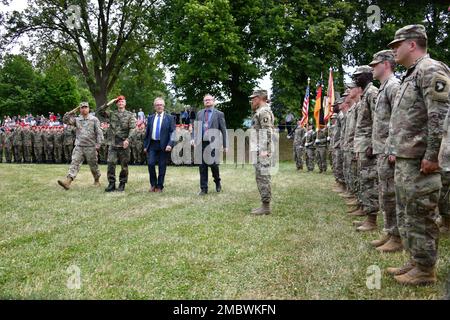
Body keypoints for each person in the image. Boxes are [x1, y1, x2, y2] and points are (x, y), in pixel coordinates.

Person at [386, 24, 450, 285]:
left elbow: (438, 116)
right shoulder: (410, 75)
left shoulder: (431, 69)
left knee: (422, 213)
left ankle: (425, 270)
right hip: (407, 157)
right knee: (409, 211)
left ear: (412, 44)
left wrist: (433, 156)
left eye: (396, 45)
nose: (393, 51)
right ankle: (416, 259)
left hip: (422, 159)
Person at [369, 49, 402, 251]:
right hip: (382, 149)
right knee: (385, 193)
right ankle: (390, 232)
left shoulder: (394, 86)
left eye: (375, 64)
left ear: (386, 64)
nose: (373, 68)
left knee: (391, 194)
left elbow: (399, 119)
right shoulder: (383, 88)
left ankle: (397, 237)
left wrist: (394, 147)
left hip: (389, 150)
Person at [352, 65, 379, 232]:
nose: (356, 79)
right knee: (364, 180)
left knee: (370, 182)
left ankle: (372, 219)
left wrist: (372, 144)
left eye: (358, 75)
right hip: (362, 145)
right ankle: (367, 215)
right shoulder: (365, 94)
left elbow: (379, 119)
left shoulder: (372, 93)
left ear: (368, 75)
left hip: (369, 146)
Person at [57, 102, 103, 190]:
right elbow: (65, 120)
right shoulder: (77, 119)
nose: (84, 109)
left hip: (90, 146)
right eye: (82, 107)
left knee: (93, 165)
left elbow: (99, 132)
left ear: (89, 109)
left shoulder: (94, 119)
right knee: (74, 162)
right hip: (79, 146)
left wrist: (98, 144)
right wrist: (72, 112)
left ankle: (96, 180)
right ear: (80, 109)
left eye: (86, 107)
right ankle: (68, 181)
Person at [96, 95, 136, 192]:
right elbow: (99, 112)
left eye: (122, 101)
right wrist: (110, 102)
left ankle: (122, 183)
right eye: (118, 102)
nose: (120, 103)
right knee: (110, 163)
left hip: (124, 143)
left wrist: (128, 140)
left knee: (124, 166)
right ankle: (111, 183)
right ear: (116, 104)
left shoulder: (130, 115)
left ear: (125, 103)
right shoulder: (112, 114)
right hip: (113, 143)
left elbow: (133, 129)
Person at [191, 94, 228, 195]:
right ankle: (204, 189)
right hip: (201, 143)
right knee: (202, 166)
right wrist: (193, 138)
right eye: (205, 100)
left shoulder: (219, 114)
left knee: (213, 164)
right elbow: (195, 127)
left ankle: (217, 181)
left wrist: (225, 145)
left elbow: (224, 130)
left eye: (209, 100)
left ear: (213, 101)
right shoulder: (199, 113)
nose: (207, 101)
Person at [249, 89, 274, 215]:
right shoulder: (259, 111)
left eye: (253, 98)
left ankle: (266, 206)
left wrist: (264, 149)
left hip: (262, 151)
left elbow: (267, 131)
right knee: (260, 177)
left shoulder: (263, 112)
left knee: (263, 177)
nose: (252, 101)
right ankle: (264, 205)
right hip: (258, 149)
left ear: (259, 98)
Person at [144, 97, 175, 192]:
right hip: (152, 144)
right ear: (154, 107)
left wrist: (170, 144)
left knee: (162, 166)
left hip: (164, 145)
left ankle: (159, 186)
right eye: (157, 105)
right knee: (150, 164)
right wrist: (145, 146)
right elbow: (147, 133)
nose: (159, 106)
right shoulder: (150, 118)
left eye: (161, 105)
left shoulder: (170, 118)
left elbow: (173, 132)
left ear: (164, 106)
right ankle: (153, 184)